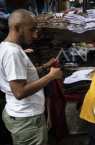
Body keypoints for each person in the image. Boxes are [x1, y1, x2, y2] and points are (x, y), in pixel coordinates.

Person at [0, 9, 62, 145]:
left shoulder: (6, 47)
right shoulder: (13, 54)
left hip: (20, 113)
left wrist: (45, 67)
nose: (35, 35)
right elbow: (19, 92)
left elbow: (25, 76)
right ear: (17, 27)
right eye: (32, 30)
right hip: (27, 119)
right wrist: (50, 76)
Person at [27, 52, 54, 130]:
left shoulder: (44, 79)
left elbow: (48, 97)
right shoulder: (24, 78)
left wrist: (49, 116)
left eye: (27, 65)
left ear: (36, 66)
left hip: (41, 113)